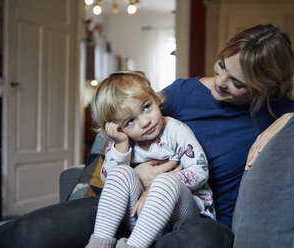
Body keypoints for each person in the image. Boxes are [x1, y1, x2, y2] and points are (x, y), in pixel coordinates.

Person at [0, 24, 294, 248]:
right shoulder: (181, 92)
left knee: (203, 242)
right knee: (31, 232)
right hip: (129, 201)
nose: (221, 81)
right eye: (221, 66)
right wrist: (118, 177)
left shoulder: (274, 110)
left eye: (237, 83)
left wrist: (288, 118)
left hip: (194, 214)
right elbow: (120, 119)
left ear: (266, 86)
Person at [85, 71, 214, 248]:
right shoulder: (121, 142)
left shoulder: (175, 130)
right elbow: (110, 184)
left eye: (146, 107)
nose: (145, 122)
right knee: (120, 173)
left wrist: (153, 189)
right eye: (130, 121)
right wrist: (121, 145)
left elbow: (200, 172)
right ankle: (99, 244)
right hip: (140, 219)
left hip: (183, 214)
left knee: (165, 181)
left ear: (155, 98)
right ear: (117, 128)